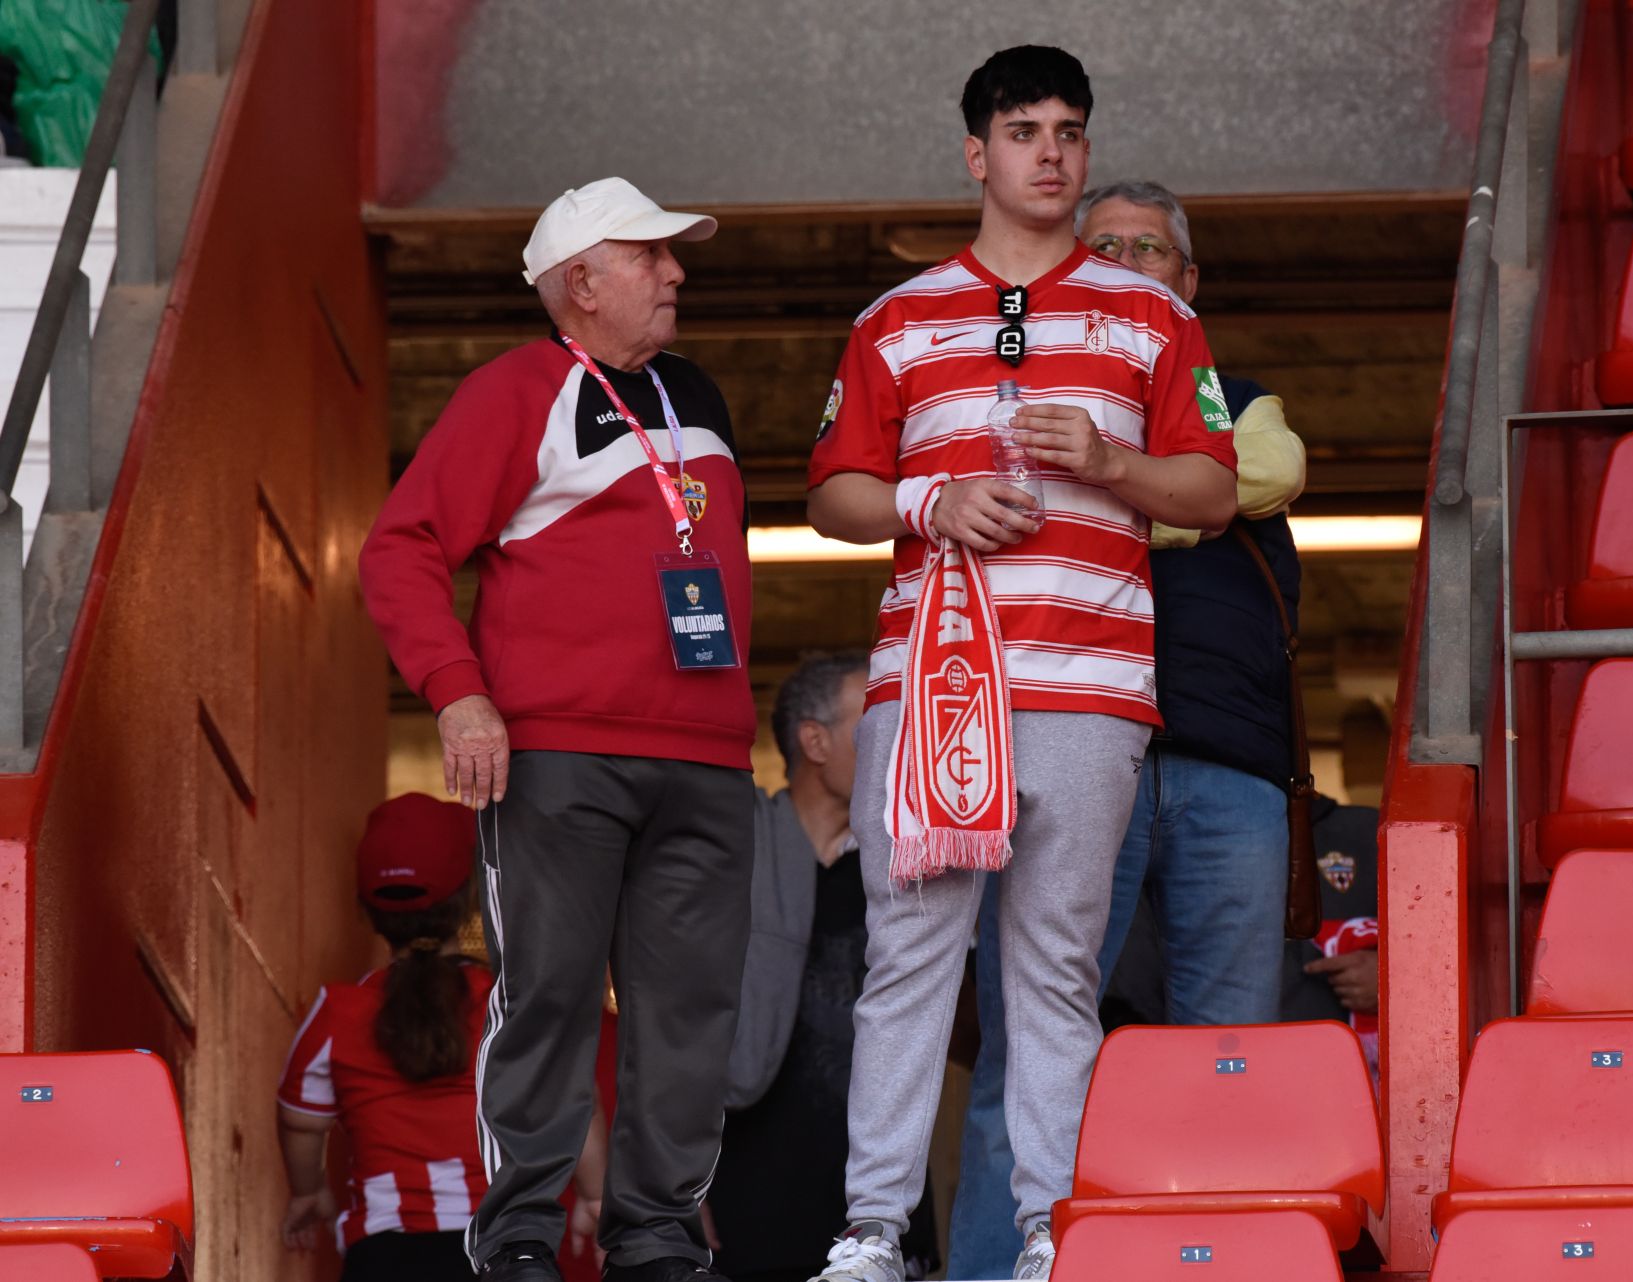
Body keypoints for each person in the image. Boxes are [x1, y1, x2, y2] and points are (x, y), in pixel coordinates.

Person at [804, 47, 1238, 1282]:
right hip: (931, 683)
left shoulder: (1156, 313)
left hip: (1091, 688)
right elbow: (831, 493)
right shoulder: (894, 317)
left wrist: (1108, 463)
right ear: (975, 154)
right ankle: (873, 1230)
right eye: (1024, 131)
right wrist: (931, 501)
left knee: (1054, 964)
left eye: (1069, 132)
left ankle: (1054, 1225)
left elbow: (1210, 491)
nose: (1050, 153)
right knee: (910, 959)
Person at [358, 177, 757, 1282]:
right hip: (560, 756)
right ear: (579, 282)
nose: (676, 272)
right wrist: (457, 689)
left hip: (709, 758)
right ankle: (523, 1238)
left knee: (688, 1019)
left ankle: (661, 1240)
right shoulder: (516, 389)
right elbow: (399, 549)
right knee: (548, 997)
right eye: (651, 256)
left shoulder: (700, 396)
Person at [946, 178, 1308, 1276]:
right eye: (1105, 244)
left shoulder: (1235, 395)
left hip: (1228, 765)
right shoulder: (1017, 404)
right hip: (1071, 750)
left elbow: (1271, 470)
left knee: (1228, 1058)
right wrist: (1180, 491)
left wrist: (1120, 475)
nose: (1131, 259)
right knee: (1028, 1050)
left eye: (1152, 248)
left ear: (1188, 283)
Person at [704, 652, 939, 1282]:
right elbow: (673, 1024)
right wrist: (676, 1188)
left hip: (880, 1215)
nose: (903, 738)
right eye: (880, 719)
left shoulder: (910, 876)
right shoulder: (731, 866)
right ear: (815, 740)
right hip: (750, 1198)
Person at [277, 794, 551, 1280]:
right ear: (470, 900)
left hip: (384, 1256)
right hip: (500, 1250)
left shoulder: (339, 1011)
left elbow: (300, 1121)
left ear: (364, 910)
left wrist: (307, 1191)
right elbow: (575, 1103)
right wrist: (594, 1195)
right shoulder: (505, 1002)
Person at [1286, 796, 1381, 1071]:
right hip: (1239, 1066)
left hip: (1358, 1082)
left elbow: (1473, 946)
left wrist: (1401, 982)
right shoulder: (1190, 839)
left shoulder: (1368, 830)